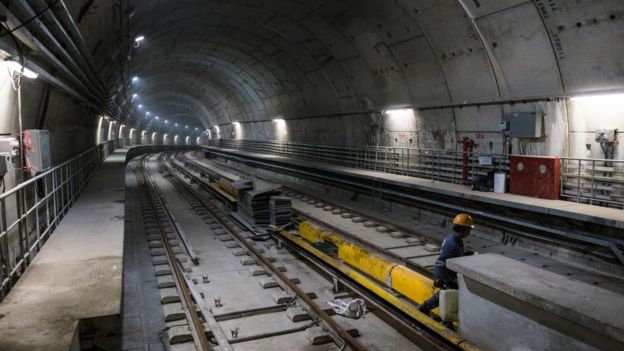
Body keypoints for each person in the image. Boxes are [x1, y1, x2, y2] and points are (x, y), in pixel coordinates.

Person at [418, 213, 474, 317]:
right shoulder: (454, 245)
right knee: (448, 292)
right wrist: (450, 279)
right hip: (444, 271)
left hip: (445, 269)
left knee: (449, 291)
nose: (470, 232)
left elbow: (455, 256)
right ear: (463, 229)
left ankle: (440, 316)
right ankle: (425, 308)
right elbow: (454, 260)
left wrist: (467, 254)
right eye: (469, 229)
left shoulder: (453, 237)